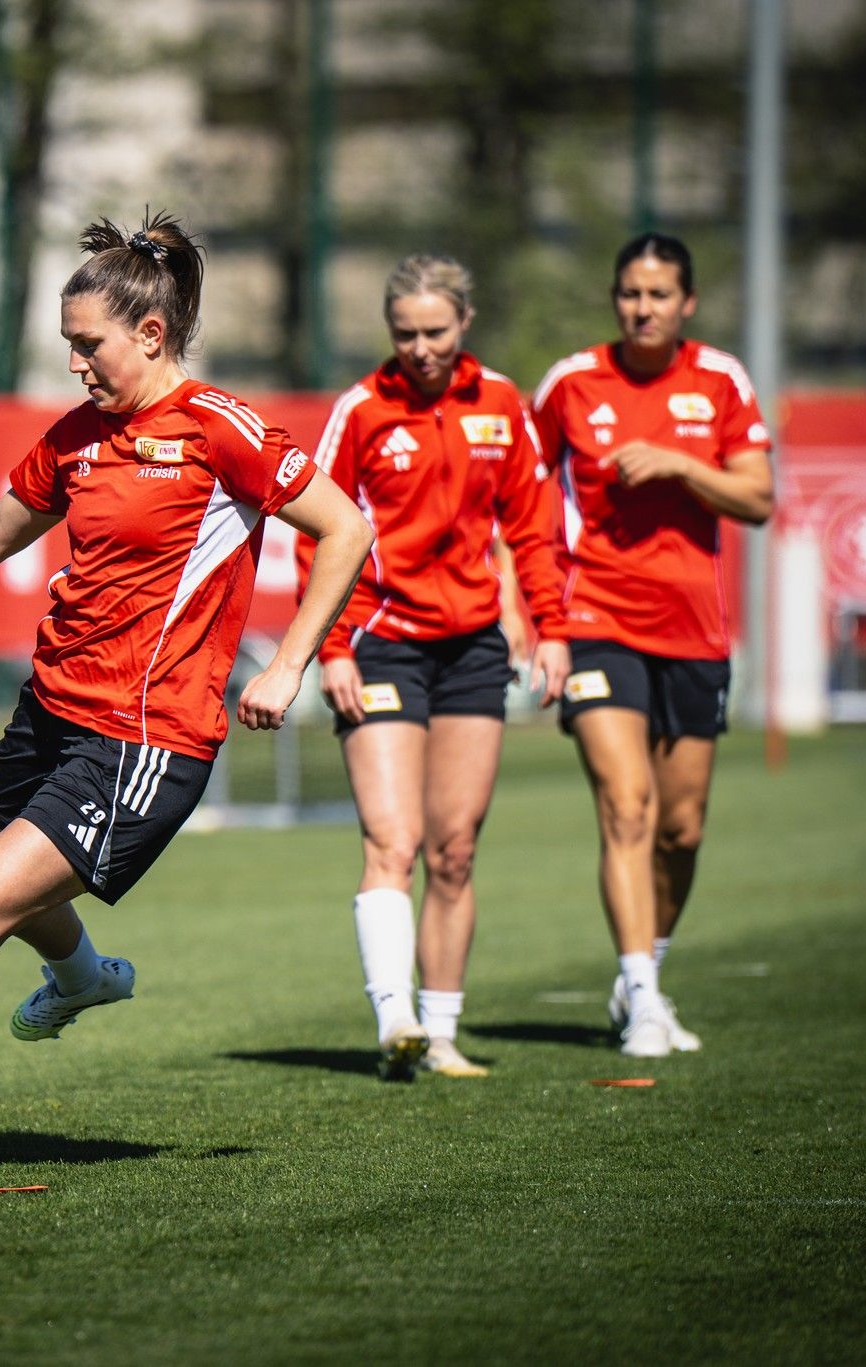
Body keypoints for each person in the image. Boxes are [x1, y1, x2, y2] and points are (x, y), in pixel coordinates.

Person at [0, 211, 373, 1179]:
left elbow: (343, 528)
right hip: (48, 711)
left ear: (150, 334)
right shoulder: (78, 437)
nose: (76, 365)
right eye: (67, 347)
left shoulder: (220, 429)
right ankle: (83, 975)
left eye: (88, 346)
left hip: (142, 740)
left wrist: (292, 658)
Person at [295, 254, 569, 1081]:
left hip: (475, 646)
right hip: (380, 641)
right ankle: (395, 1021)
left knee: (454, 848)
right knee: (394, 839)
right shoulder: (361, 411)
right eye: (404, 334)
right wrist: (332, 646)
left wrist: (550, 627)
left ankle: (442, 1032)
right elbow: (317, 531)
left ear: (466, 322)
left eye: (435, 332)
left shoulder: (502, 404)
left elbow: (532, 526)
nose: (419, 348)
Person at [530, 232, 774, 1058]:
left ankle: (645, 971)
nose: (643, 308)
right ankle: (641, 999)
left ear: (687, 303)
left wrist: (678, 464)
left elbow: (759, 498)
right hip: (595, 619)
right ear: (615, 297)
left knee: (683, 829)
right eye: (630, 293)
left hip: (695, 631)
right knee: (626, 805)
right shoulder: (570, 383)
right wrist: (536, 619)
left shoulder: (721, 380)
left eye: (659, 295)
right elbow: (522, 504)